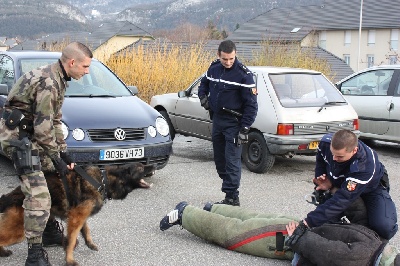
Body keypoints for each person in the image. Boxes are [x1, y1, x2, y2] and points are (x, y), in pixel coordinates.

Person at [0, 42, 92, 266]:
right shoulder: (49, 82)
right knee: (39, 196)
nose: (87, 71)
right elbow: (43, 131)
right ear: (72, 63)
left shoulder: (59, 79)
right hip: (18, 140)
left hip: (33, 137)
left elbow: (54, 122)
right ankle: (34, 256)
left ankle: (49, 230)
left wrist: (64, 154)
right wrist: (56, 158)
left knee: (54, 178)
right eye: (85, 66)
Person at [159, 201, 400, 265]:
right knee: (236, 235)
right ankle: (185, 214)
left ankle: (213, 208)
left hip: (299, 227)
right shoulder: (362, 258)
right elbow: (325, 253)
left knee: (252, 219)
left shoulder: (377, 241)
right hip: (288, 240)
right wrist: (298, 238)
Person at [303, 129, 398, 240]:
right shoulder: (326, 143)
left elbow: (343, 199)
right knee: (322, 227)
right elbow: (321, 160)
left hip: (370, 188)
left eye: (339, 157)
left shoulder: (364, 166)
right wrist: (323, 177)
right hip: (341, 184)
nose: (334, 158)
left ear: (354, 151)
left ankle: (376, 247)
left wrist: (308, 221)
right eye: (333, 154)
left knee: (383, 227)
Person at [197, 40, 258, 206]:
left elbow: (251, 105)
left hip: (234, 123)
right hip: (217, 120)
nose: (228, 62)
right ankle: (228, 189)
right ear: (219, 55)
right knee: (220, 160)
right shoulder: (214, 68)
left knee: (232, 161)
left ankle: (232, 198)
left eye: (231, 58)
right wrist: (203, 98)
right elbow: (203, 85)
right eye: (225, 59)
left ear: (235, 54)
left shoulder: (244, 75)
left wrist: (245, 128)